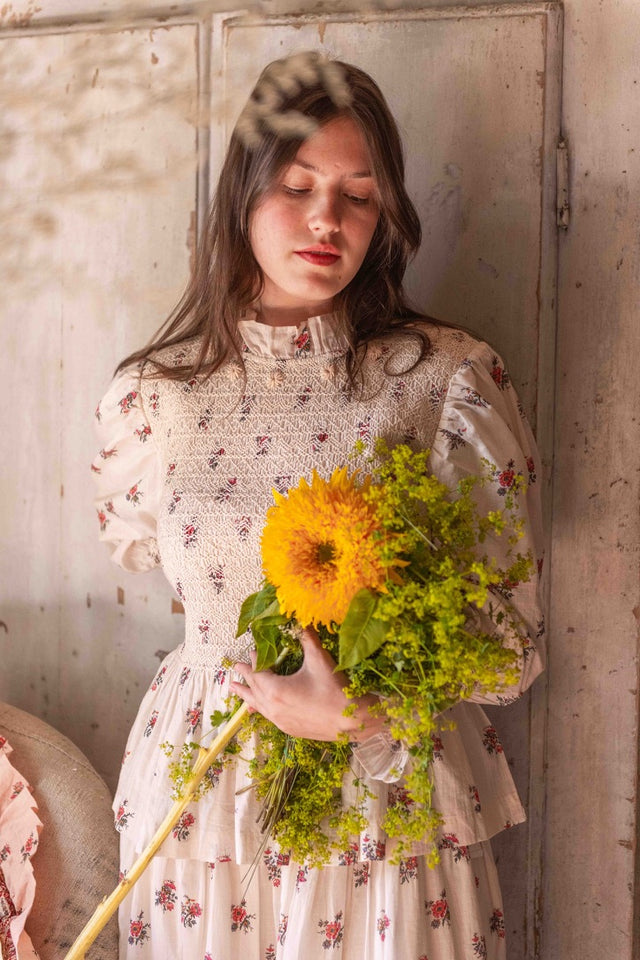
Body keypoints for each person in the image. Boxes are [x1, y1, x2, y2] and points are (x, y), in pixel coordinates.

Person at [92, 52, 545, 960]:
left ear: (387, 217)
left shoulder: (446, 381)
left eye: (359, 196)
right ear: (241, 198)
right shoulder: (154, 398)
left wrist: (365, 712)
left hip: (385, 798)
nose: (326, 221)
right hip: (199, 800)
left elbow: (511, 648)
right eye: (296, 186)